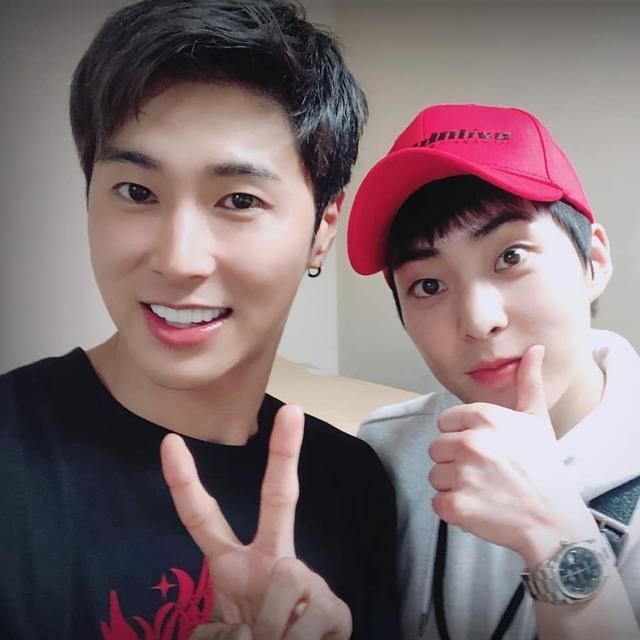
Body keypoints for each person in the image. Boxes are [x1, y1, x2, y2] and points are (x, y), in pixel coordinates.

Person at [0, 1, 401, 638]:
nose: (179, 260)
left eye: (239, 199)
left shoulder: (355, 488)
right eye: (137, 192)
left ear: (323, 230)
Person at [347, 103, 640, 639]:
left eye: (511, 257)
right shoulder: (386, 452)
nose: (479, 321)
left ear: (594, 262)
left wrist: (554, 535)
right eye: (428, 285)